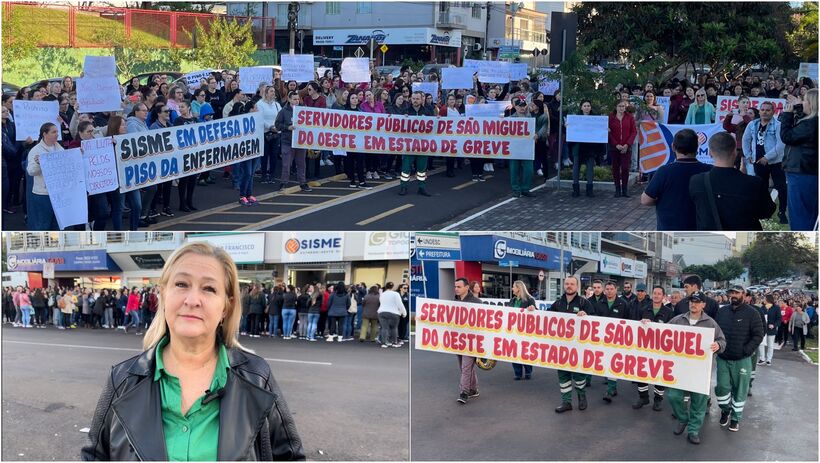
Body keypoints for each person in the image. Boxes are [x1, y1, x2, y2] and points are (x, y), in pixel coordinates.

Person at [81, 242, 305, 460]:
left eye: (208, 288)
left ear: (226, 306)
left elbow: (290, 456)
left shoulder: (257, 377)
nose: (192, 300)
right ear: (163, 294)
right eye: (181, 284)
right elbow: (94, 456)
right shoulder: (123, 379)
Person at [667, 291, 726, 445]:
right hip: (679, 369)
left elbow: (722, 341)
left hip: (701, 370)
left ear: (703, 305)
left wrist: (718, 345)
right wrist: (646, 324)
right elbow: (661, 333)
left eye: (697, 301)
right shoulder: (678, 320)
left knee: (699, 401)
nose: (693, 304)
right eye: (692, 301)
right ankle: (682, 419)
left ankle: (693, 430)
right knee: (673, 396)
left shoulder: (710, 323)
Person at [689, 132, 776, 230]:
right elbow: (767, 212)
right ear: (735, 153)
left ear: (709, 153)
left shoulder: (696, 182)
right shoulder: (754, 183)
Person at [713, 285, 764, 433]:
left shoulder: (752, 313)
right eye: (731, 293)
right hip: (723, 358)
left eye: (737, 293)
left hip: (742, 359)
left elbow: (758, 335)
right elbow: (715, 331)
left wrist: (746, 350)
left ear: (743, 294)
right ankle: (725, 410)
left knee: (740, 390)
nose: (733, 295)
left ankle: (735, 418)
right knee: (721, 388)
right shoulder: (721, 312)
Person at [641, 129, 712, 230]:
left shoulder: (664, 171)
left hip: (670, 228)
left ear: (673, 147)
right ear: (697, 147)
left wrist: (662, 201)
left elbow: (645, 200)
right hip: (699, 228)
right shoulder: (709, 170)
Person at [550, 276, 593, 413]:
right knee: (563, 375)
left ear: (577, 286)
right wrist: (533, 311)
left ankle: (582, 397)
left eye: (572, 284)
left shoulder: (584, 302)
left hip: (578, 347)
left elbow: (596, 322)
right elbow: (545, 318)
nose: (569, 286)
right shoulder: (557, 303)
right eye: (567, 284)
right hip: (561, 346)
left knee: (579, 375)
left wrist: (586, 315)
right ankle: (566, 401)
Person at [741, 101, 787, 224]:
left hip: (776, 161)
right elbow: (745, 140)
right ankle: (764, 210)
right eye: (762, 110)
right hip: (758, 161)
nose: (765, 112)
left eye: (768, 110)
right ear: (759, 111)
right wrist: (748, 155)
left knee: (781, 188)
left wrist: (767, 157)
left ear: (773, 112)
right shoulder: (752, 124)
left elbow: (781, 144)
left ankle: (782, 212)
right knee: (761, 188)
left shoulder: (778, 125)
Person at [779, 88, 818, 230]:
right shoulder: (811, 121)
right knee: (810, 211)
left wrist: (787, 115)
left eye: (804, 101)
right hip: (808, 170)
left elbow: (787, 136)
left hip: (802, 172)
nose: (802, 103)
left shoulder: (811, 124)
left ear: (812, 104)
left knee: (800, 213)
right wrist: (798, 107)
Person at [634, 286, 675, 411]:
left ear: (663, 296)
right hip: (645, 348)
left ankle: (658, 400)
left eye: (659, 294)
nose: (656, 295)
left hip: (661, 350)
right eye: (654, 293)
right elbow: (634, 326)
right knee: (641, 373)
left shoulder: (669, 312)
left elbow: (673, 332)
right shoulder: (643, 309)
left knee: (660, 375)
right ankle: (643, 397)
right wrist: (641, 322)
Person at [26, 123, 63, 230]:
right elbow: (31, 171)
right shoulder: (36, 150)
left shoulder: (59, 148)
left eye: (57, 132)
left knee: (57, 225)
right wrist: (39, 164)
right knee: (43, 226)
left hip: (58, 194)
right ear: (45, 134)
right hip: (43, 195)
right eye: (53, 132)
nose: (57, 134)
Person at [597, 281, 628, 403]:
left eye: (611, 289)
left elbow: (629, 321)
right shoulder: (600, 303)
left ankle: (610, 389)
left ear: (616, 290)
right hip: (603, 340)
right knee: (605, 363)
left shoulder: (623, 304)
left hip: (618, 340)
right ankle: (612, 387)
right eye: (607, 289)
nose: (609, 291)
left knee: (612, 364)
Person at [275, 91, 312, 193]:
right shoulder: (283, 111)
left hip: (300, 141)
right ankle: (283, 182)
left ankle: (302, 182)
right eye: (294, 99)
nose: (296, 101)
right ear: (289, 99)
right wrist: (287, 127)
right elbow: (277, 124)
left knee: (301, 163)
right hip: (287, 141)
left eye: (298, 99)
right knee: (286, 164)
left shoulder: (303, 110)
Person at [454, 278, 482, 404]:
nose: (456, 289)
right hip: (458, 340)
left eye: (459, 286)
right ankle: (474, 389)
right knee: (465, 367)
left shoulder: (477, 302)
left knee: (466, 367)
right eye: (455, 286)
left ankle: (464, 392)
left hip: (471, 341)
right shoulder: (454, 302)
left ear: (466, 287)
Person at [400, 91, 434, 196]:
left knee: (421, 169)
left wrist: (437, 120)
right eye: (413, 98)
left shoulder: (428, 112)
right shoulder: (405, 111)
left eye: (417, 98)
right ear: (411, 99)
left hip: (423, 145)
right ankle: (403, 187)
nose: (415, 100)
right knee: (406, 168)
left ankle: (421, 187)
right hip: (409, 144)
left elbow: (433, 127)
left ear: (421, 99)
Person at [569, 100, 601, 197]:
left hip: (590, 146)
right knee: (576, 168)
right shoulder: (575, 118)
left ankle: (589, 189)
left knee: (590, 168)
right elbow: (571, 131)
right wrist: (568, 126)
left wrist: (604, 129)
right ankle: (576, 189)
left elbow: (599, 130)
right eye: (585, 106)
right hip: (578, 146)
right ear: (581, 107)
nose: (587, 107)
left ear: (591, 107)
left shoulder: (596, 119)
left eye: (588, 106)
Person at [508, 280, 537, 380]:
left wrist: (533, 308)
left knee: (525, 350)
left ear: (519, 288)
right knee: (514, 351)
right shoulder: (512, 300)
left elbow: (536, 314)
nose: (512, 289)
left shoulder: (530, 299)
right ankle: (518, 373)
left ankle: (528, 371)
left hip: (525, 331)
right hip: (514, 330)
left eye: (513, 287)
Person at [608, 100, 637, 198]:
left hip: (626, 147)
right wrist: (615, 144)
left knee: (625, 168)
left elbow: (633, 132)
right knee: (615, 168)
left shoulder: (630, 117)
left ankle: (625, 189)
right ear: (616, 107)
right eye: (620, 106)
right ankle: (617, 189)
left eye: (623, 106)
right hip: (614, 147)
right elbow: (608, 132)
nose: (621, 108)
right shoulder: (611, 117)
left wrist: (627, 144)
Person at [508, 98, 535, 198]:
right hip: (514, 148)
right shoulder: (510, 118)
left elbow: (535, 130)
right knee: (514, 169)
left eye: (524, 105)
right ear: (515, 106)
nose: (522, 107)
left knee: (529, 169)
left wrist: (536, 134)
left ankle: (525, 189)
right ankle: (516, 189)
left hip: (527, 148)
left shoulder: (530, 118)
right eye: (520, 105)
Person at [257, 86, 282, 184]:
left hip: (276, 133)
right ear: (266, 93)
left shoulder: (277, 104)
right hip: (265, 132)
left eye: (274, 91)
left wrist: (277, 127)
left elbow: (280, 116)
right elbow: (260, 118)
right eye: (271, 91)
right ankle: (263, 175)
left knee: (274, 155)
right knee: (264, 155)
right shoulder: (260, 104)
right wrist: (270, 127)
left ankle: (272, 175)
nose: (273, 93)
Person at [378, 282, 406, 348]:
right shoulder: (395, 294)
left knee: (384, 328)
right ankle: (394, 342)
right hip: (394, 313)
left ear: (386, 286)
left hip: (382, 312)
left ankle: (384, 343)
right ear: (392, 287)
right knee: (394, 328)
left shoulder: (382, 294)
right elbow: (400, 304)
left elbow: (381, 302)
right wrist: (404, 313)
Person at [757, 294, 781, 366]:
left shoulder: (776, 308)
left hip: (771, 329)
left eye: (764, 299)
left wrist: (774, 325)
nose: (763, 300)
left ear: (768, 300)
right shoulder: (762, 308)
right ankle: (762, 358)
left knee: (770, 345)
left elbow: (779, 319)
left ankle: (769, 359)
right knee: (761, 344)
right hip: (763, 329)